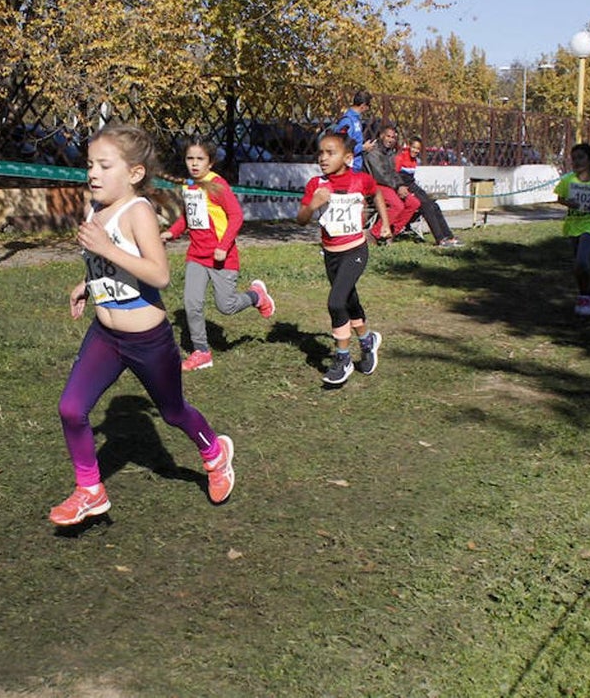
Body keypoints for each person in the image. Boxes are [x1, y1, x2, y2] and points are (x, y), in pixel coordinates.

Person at [49, 124, 235, 527]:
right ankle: (90, 491)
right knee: (71, 408)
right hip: (106, 334)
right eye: (89, 165)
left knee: (172, 412)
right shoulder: (94, 207)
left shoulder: (139, 212)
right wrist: (88, 283)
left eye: (104, 165)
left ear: (134, 173)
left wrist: (107, 249)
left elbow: (158, 274)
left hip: (148, 339)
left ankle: (215, 453)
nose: (92, 174)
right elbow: (104, 263)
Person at [161, 139, 275, 371]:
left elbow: (236, 216)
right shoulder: (189, 186)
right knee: (192, 303)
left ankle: (256, 296)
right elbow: (187, 217)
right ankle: (202, 352)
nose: (194, 164)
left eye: (199, 159)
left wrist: (223, 246)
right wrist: (171, 233)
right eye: (190, 159)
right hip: (196, 256)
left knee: (227, 306)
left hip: (222, 257)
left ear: (210, 162)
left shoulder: (218, 185)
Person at [296, 131, 391, 385]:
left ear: (348, 158)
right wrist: (313, 204)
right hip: (331, 254)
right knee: (349, 301)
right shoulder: (316, 185)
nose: (323, 158)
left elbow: (378, 194)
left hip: (355, 250)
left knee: (336, 302)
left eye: (331, 153)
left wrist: (385, 223)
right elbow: (301, 218)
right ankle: (367, 340)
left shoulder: (361, 180)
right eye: (321, 153)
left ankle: (343, 358)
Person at [554, 142, 590, 317]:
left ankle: (586, 295)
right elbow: (560, 198)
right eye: (574, 159)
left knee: (582, 261)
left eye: (581, 158)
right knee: (578, 266)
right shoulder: (567, 180)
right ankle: (584, 294)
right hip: (573, 224)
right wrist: (569, 203)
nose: (577, 162)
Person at [396, 135, 462, 247]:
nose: (415, 151)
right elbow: (395, 176)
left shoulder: (414, 160)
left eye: (418, 149)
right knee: (426, 206)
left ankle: (448, 236)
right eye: (413, 147)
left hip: (412, 185)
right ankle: (439, 238)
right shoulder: (400, 157)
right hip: (403, 187)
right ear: (408, 146)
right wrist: (400, 187)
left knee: (434, 205)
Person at [365, 125, 421, 241]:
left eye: (393, 137)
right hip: (376, 184)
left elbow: (394, 172)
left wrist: (400, 185)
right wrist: (397, 187)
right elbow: (380, 175)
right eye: (388, 136)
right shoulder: (373, 152)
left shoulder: (390, 153)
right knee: (398, 206)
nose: (390, 140)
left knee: (414, 203)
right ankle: (374, 234)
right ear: (381, 136)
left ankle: (392, 232)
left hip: (391, 185)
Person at [335, 90, 376, 172]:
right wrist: (363, 147)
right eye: (369, 106)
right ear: (363, 106)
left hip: (356, 166)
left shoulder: (356, 120)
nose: (368, 109)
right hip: (348, 168)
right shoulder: (347, 121)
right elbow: (343, 146)